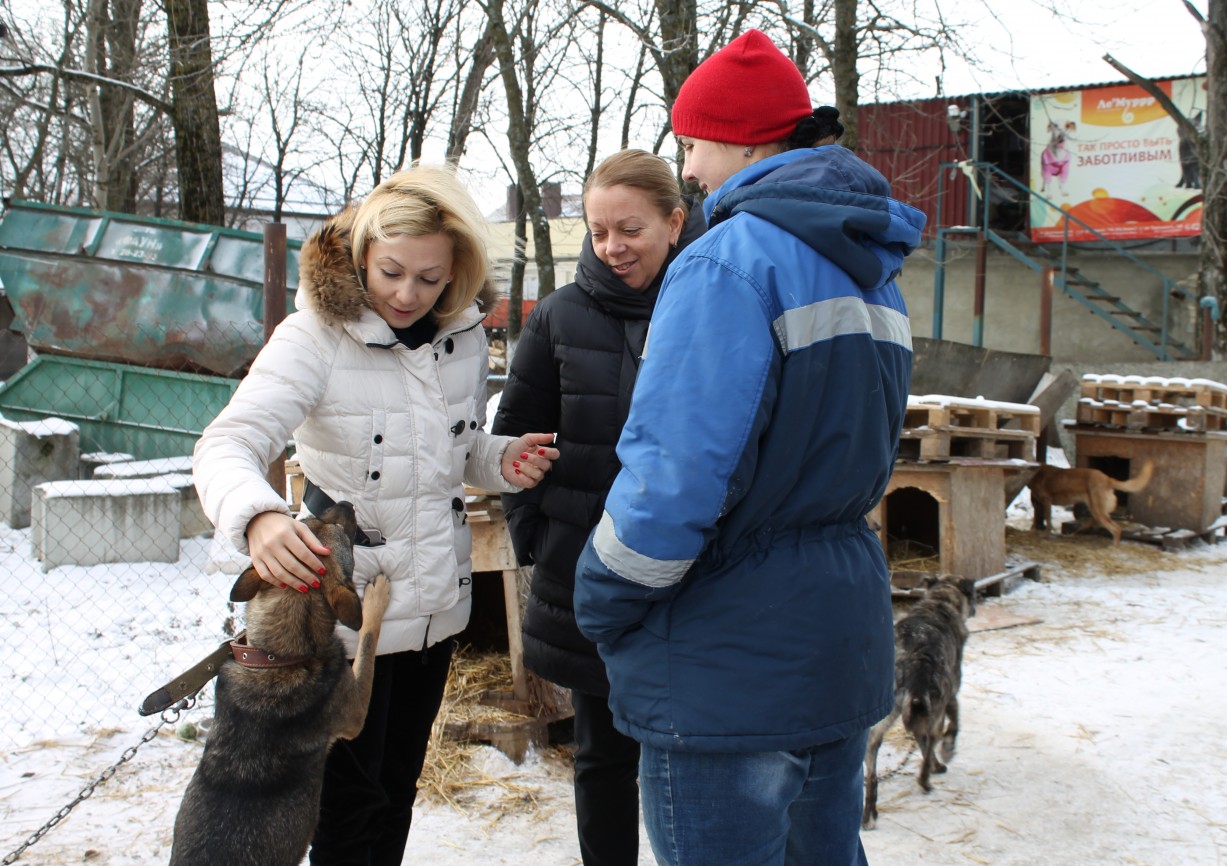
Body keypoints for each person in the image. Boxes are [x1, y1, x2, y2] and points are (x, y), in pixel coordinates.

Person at [573, 29, 927, 866]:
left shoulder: (727, 265)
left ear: (740, 139)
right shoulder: (869, 268)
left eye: (693, 143)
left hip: (728, 657)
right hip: (837, 636)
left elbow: (679, 477)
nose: (688, 169)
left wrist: (602, 595)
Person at [192, 163, 558, 866]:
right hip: (345, 617)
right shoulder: (316, 335)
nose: (407, 294)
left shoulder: (462, 334)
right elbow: (227, 442)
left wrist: (499, 458)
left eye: (430, 278)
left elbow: (452, 448)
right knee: (346, 813)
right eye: (391, 272)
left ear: (457, 270)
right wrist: (260, 518)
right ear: (362, 254)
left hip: (433, 607)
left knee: (396, 792)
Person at [491, 148, 706, 866]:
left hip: (695, 580)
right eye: (599, 230)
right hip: (591, 576)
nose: (612, 247)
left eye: (631, 229)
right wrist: (541, 541)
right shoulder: (558, 318)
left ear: (675, 222)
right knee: (604, 756)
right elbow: (512, 444)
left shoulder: (711, 304)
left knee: (694, 757)